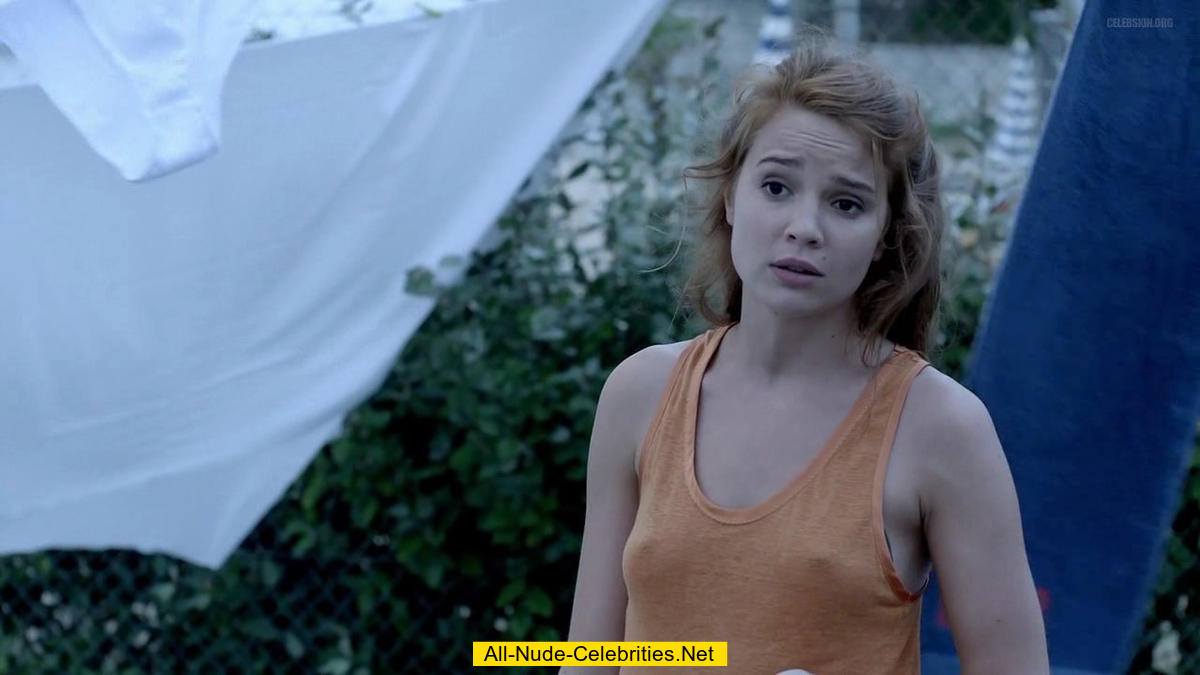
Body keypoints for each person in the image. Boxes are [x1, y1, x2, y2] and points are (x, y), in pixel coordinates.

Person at [561, 33, 1049, 675]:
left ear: (885, 234)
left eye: (846, 203)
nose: (804, 227)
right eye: (776, 187)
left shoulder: (941, 427)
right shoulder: (640, 392)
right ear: (731, 195)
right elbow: (590, 657)